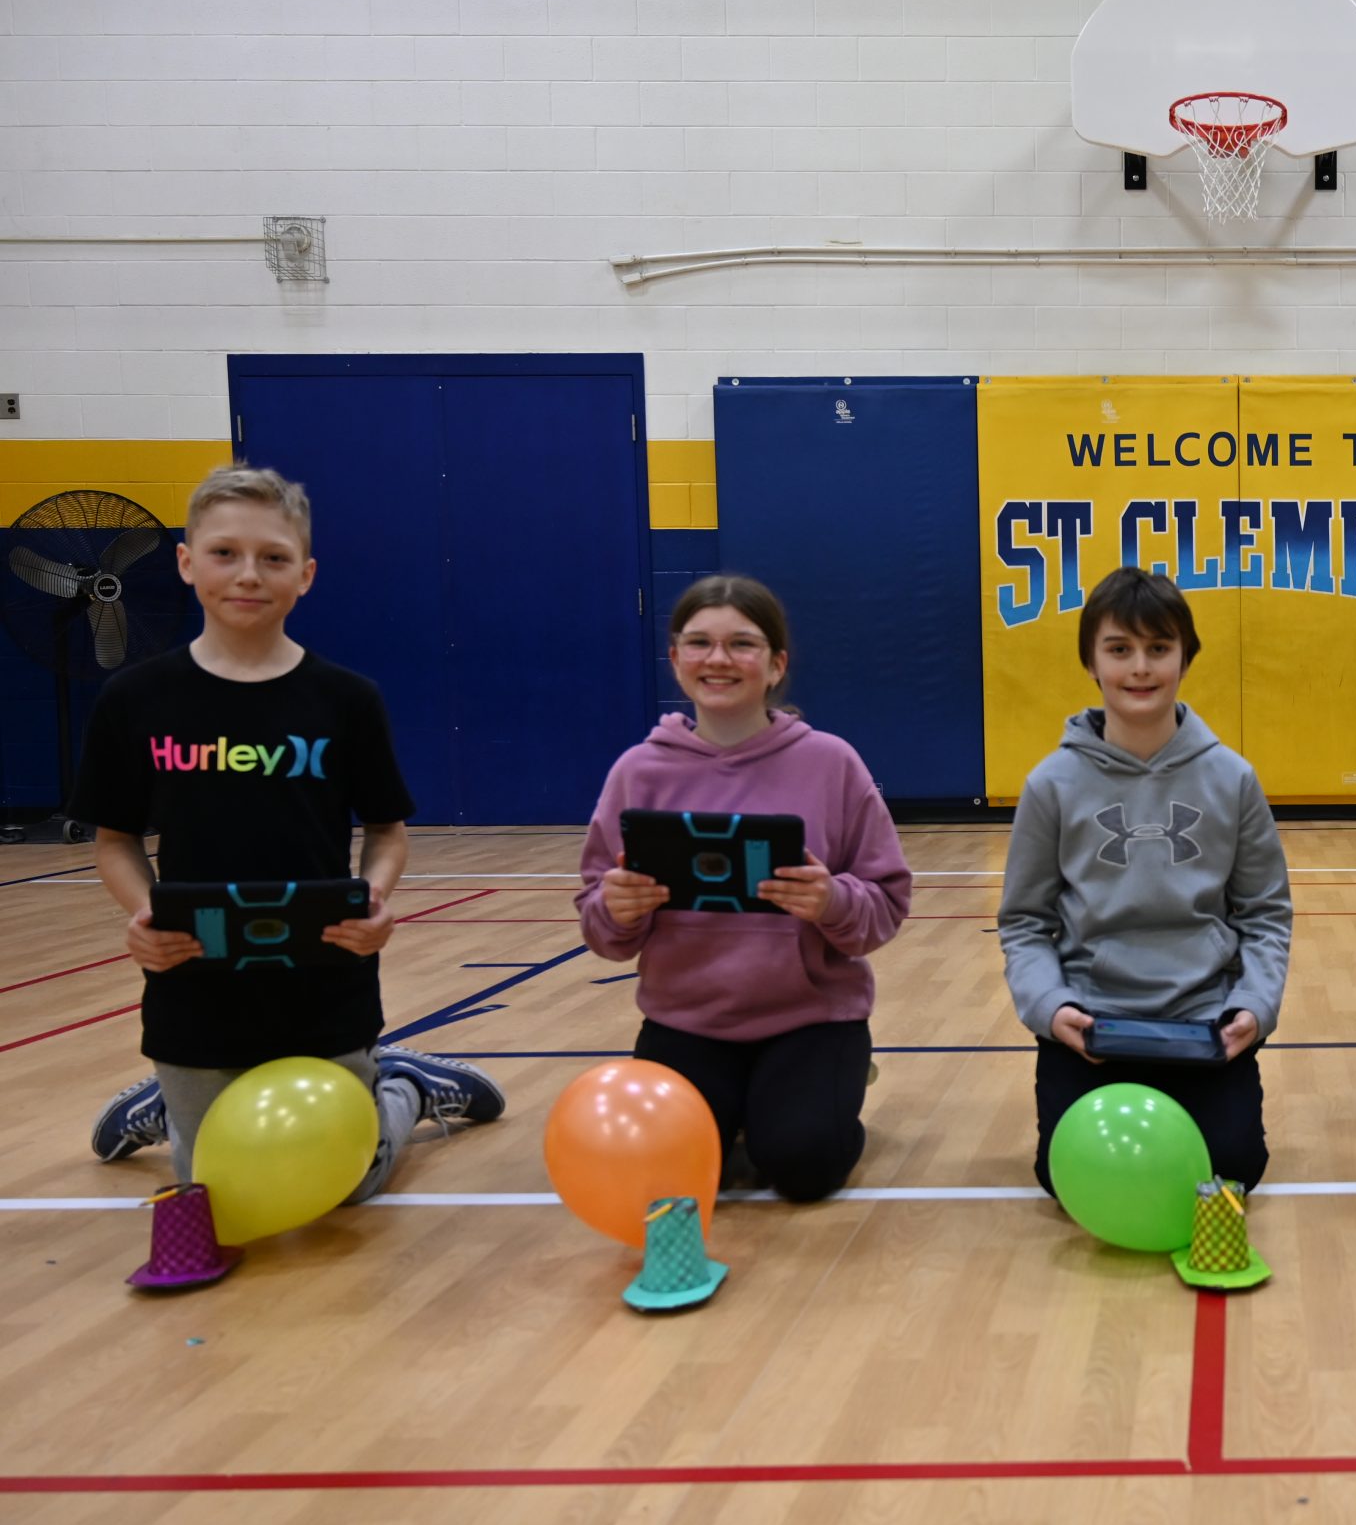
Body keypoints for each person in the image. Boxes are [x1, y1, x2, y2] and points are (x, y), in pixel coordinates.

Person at [80, 464, 504, 1193]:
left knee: (343, 1184)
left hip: (325, 976)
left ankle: (404, 1085)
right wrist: (144, 914)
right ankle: (171, 1106)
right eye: (224, 553)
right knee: (218, 1191)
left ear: (304, 575)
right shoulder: (135, 698)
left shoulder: (346, 700)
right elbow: (115, 839)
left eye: (273, 557)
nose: (249, 574)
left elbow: (387, 830)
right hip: (193, 979)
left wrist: (373, 898)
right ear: (186, 562)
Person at [578, 575, 912, 1202]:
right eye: (699, 642)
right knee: (664, 1174)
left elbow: (888, 902)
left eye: (742, 644)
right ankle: (739, 1114)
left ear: (776, 664)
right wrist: (617, 909)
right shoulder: (638, 771)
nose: (719, 659)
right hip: (686, 1022)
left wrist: (832, 901)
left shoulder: (831, 763)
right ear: (675, 659)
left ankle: (825, 1089)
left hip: (810, 1019)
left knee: (803, 1166)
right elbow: (600, 925)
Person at [998, 566, 1291, 1194]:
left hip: (1204, 1023)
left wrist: (1253, 1006)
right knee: (1067, 1179)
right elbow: (1024, 923)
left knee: (1232, 1169)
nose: (1139, 668)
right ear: (1090, 661)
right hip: (1092, 1025)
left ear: (1185, 658)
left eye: (1159, 648)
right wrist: (1052, 1007)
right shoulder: (1051, 784)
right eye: (1119, 649)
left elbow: (1265, 915)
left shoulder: (1233, 779)